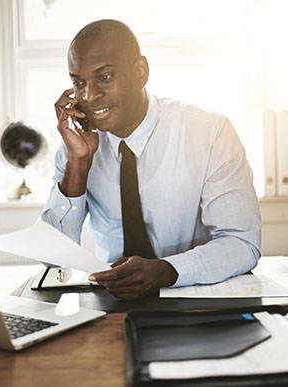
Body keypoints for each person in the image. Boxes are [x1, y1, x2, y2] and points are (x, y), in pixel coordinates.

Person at [41, 19, 261, 300]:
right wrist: (78, 164)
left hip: (198, 299)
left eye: (104, 77)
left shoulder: (209, 132)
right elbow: (52, 257)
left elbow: (242, 244)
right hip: (112, 305)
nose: (89, 95)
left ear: (140, 72)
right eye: (78, 83)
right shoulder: (77, 146)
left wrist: (166, 270)